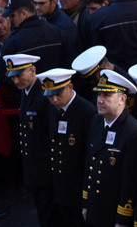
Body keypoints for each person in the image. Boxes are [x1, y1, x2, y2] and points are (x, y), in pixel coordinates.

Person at [82, 70, 137, 226]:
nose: (100, 100)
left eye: (107, 96)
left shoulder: (134, 132)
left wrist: (123, 219)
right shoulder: (97, 121)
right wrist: (85, 202)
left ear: (122, 99)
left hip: (113, 213)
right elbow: (89, 163)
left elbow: (130, 182)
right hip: (94, 206)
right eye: (99, 95)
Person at [38, 67, 96, 227]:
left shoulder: (87, 112)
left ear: (70, 87)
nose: (54, 100)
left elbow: (89, 155)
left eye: (58, 94)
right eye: (50, 96)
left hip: (77, 188)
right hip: (59, 186)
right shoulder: (52, 108)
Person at [6, 54, 55, 226]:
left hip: (46, 169)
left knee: (49, 214)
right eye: (13, 77)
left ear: (33, 70)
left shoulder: (43, 95)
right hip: (35, 169)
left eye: (20, 75)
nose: (16, 81)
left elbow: (51, 134)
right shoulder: (26, 92)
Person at [1, 0, 74, 74]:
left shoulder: (12, 41)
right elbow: (69, 62)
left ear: (24, 14)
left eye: (12, 16)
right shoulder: (57, 31)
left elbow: (4, 74)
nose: (11, 19)